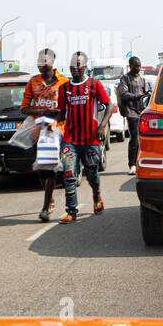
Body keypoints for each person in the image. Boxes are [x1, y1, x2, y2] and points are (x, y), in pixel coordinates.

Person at [56, 51, 114, 223]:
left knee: (92, 174)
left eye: (79, 65)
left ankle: (97, 196)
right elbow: (61, 114)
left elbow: (109, 104)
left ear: (85, 67)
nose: (75, 68)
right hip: (70, 140)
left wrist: (102, 126)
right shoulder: (64, 88)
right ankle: (71, 211)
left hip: (90, 139)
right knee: (69, 174)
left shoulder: (94, 85)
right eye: (73, 65)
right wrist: (47, 122)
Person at [20, 48, 67, 222]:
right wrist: (42, 110)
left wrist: (57, 114)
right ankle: (50, 198)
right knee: (40, 167)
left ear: (52, 61)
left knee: (48, 165)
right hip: (38, 128)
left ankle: (46, 207)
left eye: (44, 59)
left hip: (56, 128)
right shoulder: (33, 82)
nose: (41, 62)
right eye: (39, 59)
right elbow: (24, 107)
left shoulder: (63, 82)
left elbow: (68, 107)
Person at [115, 55, 152, 174]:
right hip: (131, 112)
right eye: (137, 66)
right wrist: (138, 97)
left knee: (146, 139)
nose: (139, 68)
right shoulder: (125, 79)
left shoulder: (143, 80)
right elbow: (124, 94)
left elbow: (148, 93)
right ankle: (132, 165)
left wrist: (148, 95)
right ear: (131, 66)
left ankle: (144, 162)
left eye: (140, 66)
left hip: (143, 112)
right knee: (134, 138)